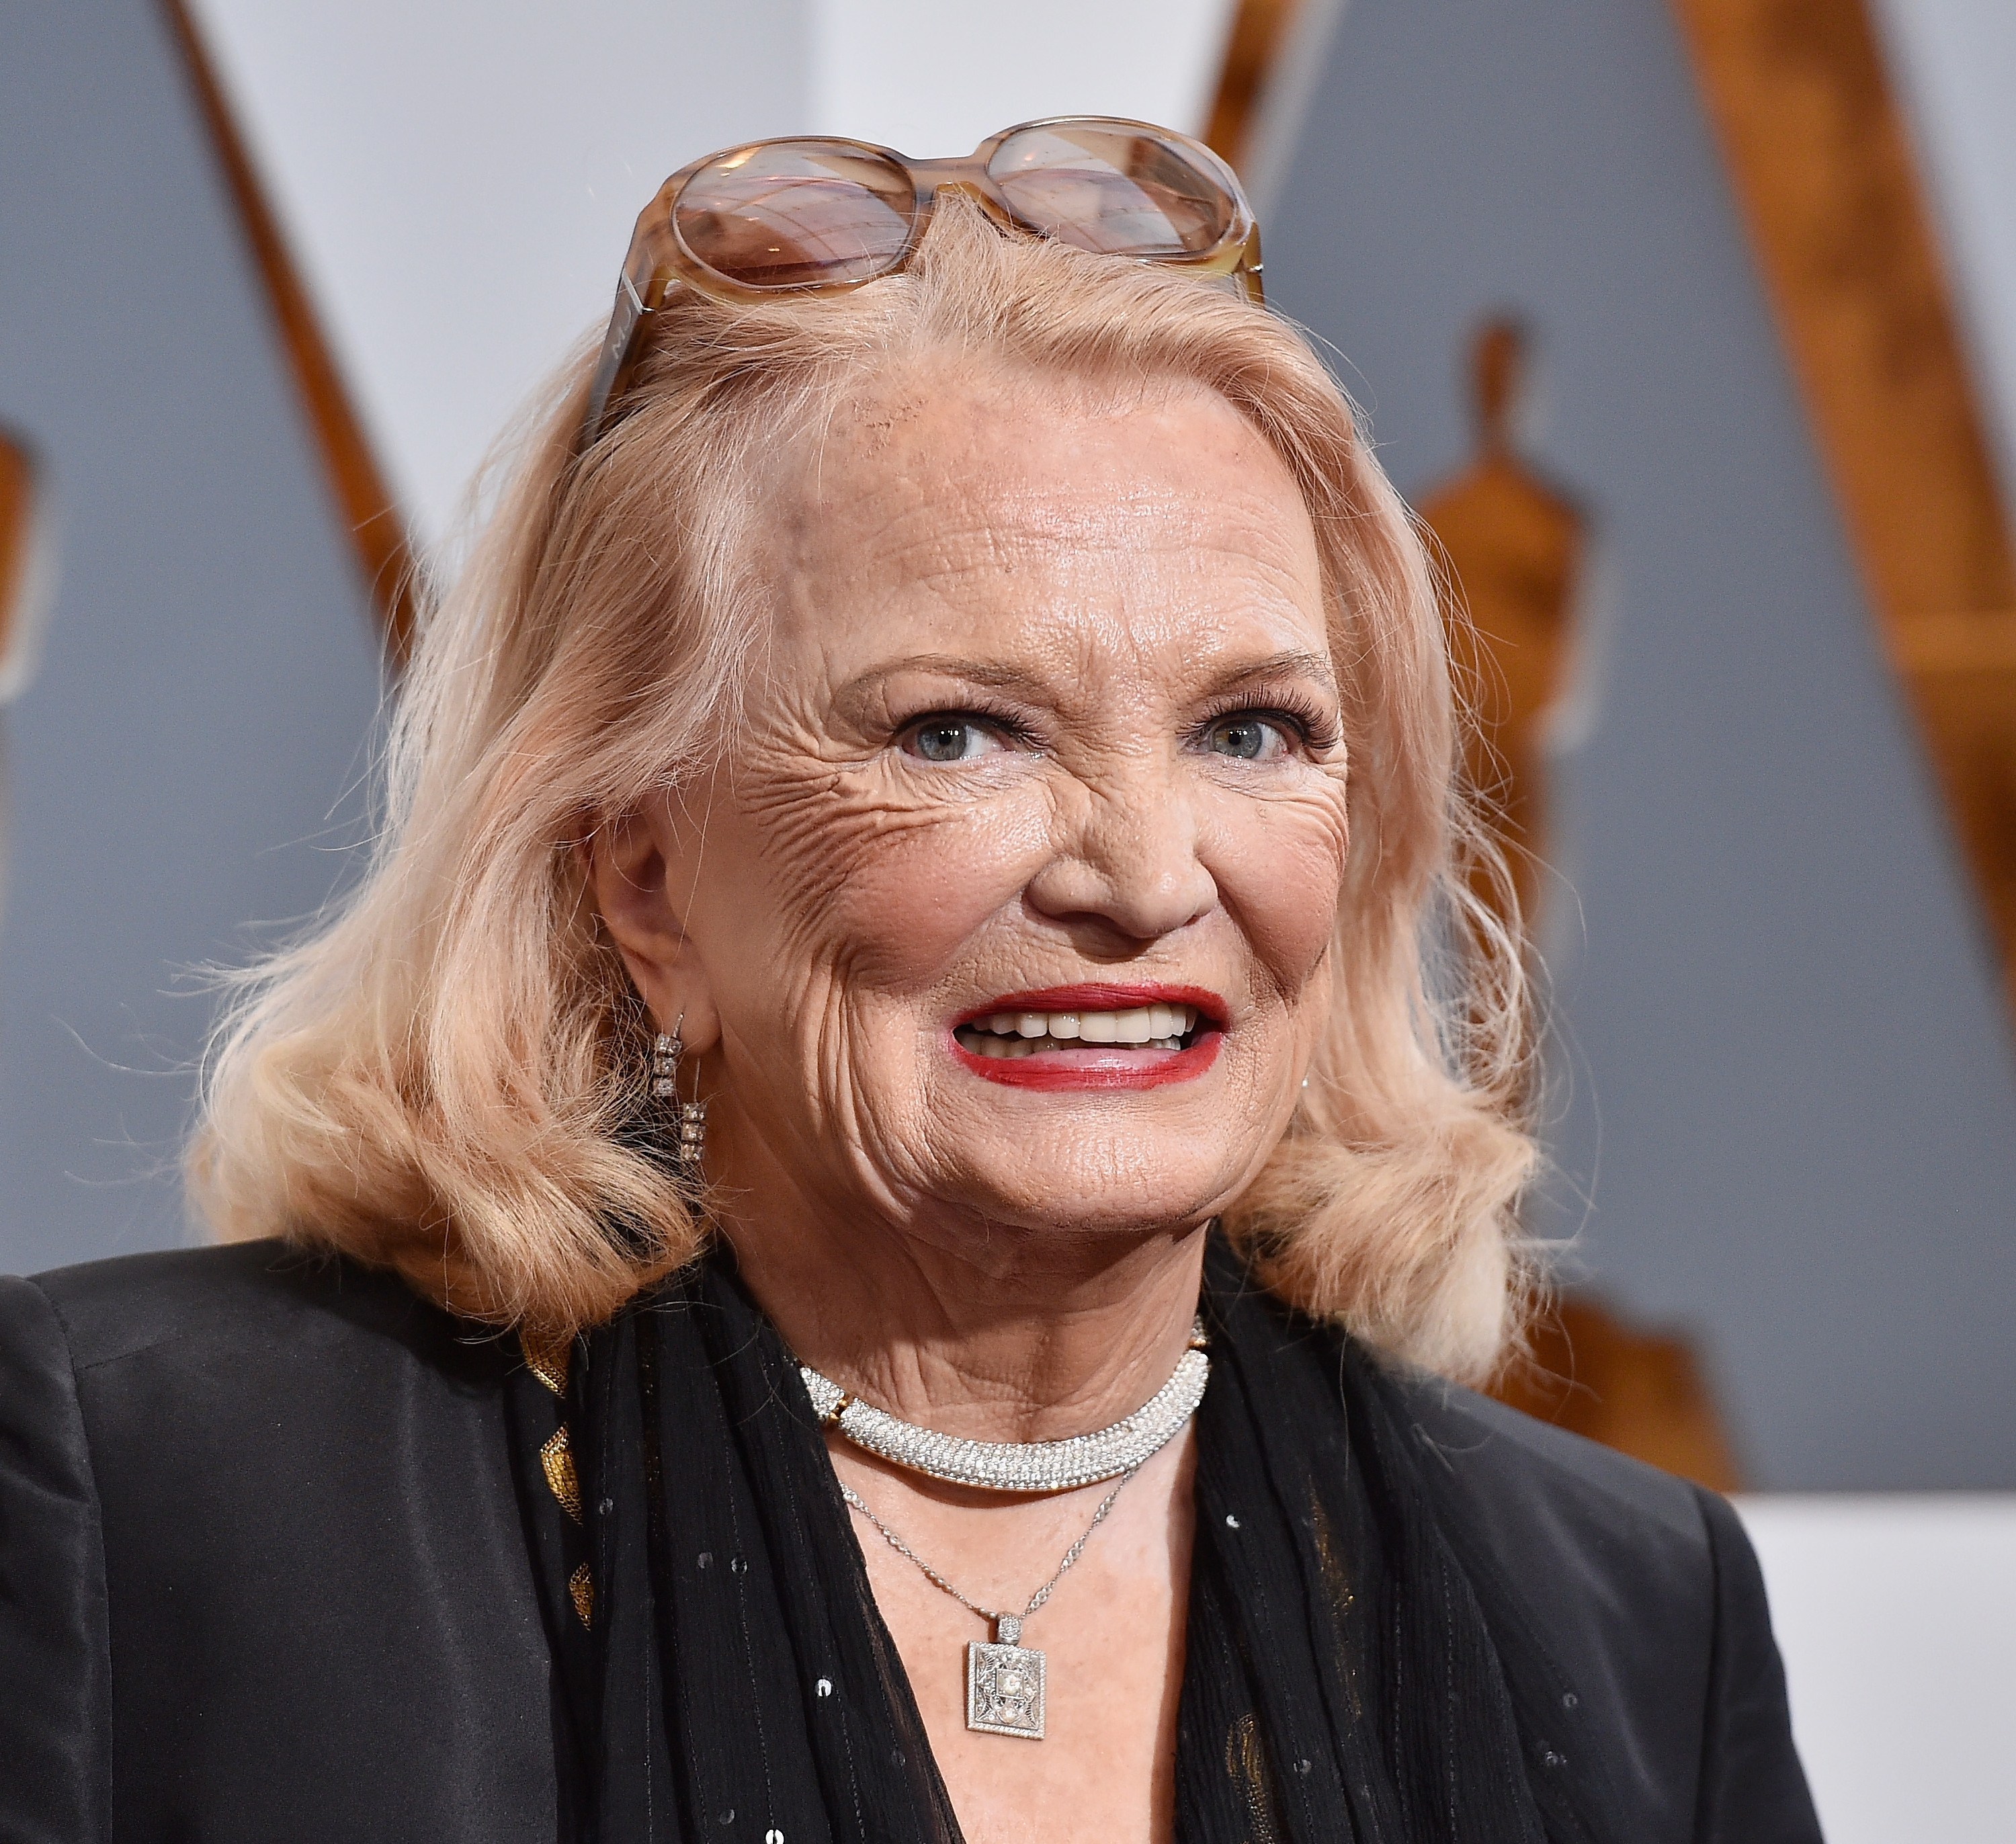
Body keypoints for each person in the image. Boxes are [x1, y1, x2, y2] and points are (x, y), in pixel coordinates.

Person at [0, 120, 1819, 1843]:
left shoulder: (1634, 1624)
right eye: (956, 733)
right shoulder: (156, 1494)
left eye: (1253, 728)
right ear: (644, 881)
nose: (1143, 873)